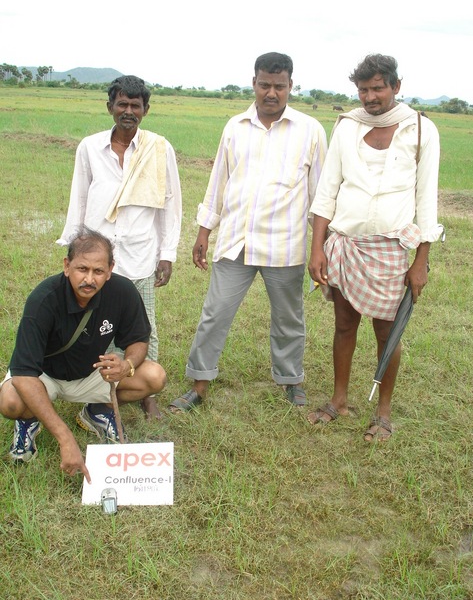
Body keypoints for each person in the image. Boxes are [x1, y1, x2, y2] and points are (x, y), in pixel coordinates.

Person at [168, 52, 328, 412]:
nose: (272, 93)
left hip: (285, 245)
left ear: (290, 86)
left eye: (280, 86)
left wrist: (322, 247)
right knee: (215, 313)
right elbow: (218, 182)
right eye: (265, 85)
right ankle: (199, 383)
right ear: (254, 83)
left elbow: (321, 195)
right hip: (236, 240)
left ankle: (291, 381)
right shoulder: (235, 126)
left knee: (288, 318)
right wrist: (204, 231)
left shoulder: (310, 131)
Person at [307, 54, 443, 440]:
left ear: (396, 87)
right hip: (346, 244)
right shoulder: (347, 127)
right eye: (363, 90)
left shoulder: (419, 129)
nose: (370, 97)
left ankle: (383, 414)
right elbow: (327, 191)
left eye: (378, 88)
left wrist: (421, 263)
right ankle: (339, 401)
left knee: (388, 332)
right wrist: (318, 249)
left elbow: (426, 200)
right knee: (344, 325)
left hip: (391, 250)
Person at [57, 75, 181, 421]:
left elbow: (171, 204)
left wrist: (167, 253)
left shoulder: (159, 148)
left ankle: (147, 393)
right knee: (99, 327)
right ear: (110, 106)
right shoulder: (89, 148)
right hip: (97, 261)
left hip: (141, 255)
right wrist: (73, 254)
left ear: (146, 110)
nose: (129, 111)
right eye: (122, 104)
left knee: (145, 329)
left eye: (135, 105)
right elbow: (78, 200)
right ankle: (97, 390)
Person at [0, 228, 166, 481]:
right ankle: (28, 420)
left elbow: (138, 340)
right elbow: (23, 375)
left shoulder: (123, 292)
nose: (89, 279)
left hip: (92, 373)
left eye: (98, 271)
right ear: (67, 266)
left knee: (154, 376)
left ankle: (96, 411)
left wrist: (127, 364)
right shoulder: (43, 299)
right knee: (10, 400)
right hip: (44, 377)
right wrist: (65, 438)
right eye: (82, 269)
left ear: (110, 269)